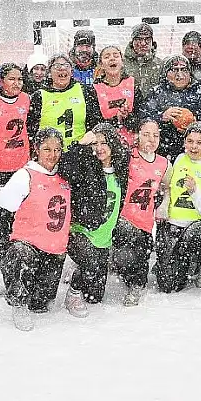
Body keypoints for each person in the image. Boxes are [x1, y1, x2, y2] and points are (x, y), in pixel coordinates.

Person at [0, 128, 72, 331]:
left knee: (41, 305)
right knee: (20, 255)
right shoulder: (26, 175)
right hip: (28, 245)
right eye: (46, 149)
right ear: (36, 149)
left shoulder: (66, 175)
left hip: (53, 251)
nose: (52, 155)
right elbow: (6, 202)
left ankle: (19, 285)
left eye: (56, 149)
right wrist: (0, 192)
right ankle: (17, 298)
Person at [61, 124, 130, 317]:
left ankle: (76, 268)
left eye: (104, 143)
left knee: (94, 296)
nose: (99, 148)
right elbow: (65, 167)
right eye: (95, 143)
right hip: (81, 230)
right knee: (89, 262)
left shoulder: (120, 169)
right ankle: (72, 295)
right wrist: (81, 144)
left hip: (103, 235)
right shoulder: (86, 166)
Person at [154, 124, 201, 292]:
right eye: (190, 141)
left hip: (198, 225)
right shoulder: (178, 159)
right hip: (173, 223)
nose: (194, 146)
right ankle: (174, 261)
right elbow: (167, 186)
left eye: (200, 143)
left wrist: (195, 191)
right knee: (168, 286)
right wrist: (163, 204)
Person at [112, 119, 169, 306]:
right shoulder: (127, 156)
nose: (151, 139)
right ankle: (118, 264)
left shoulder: (164, 163)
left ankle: (136, 284)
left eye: (156, 135)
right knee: (125, 255)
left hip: (145, 223)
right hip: (123, 219)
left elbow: (168, 187)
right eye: (146, 134)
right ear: (137, 136)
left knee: (140, 262)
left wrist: (163, 204)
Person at [0, 63, 31, 254]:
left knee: (20, 211)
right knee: (0, 211)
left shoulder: (27, 100)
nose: (16, 83)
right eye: (11, 79)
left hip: (20, 165)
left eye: (20, 79)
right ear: (1, 81)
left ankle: (17, 246)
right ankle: (1, 246)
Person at [142, 55, 201, 161]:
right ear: (165, 73)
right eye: (174, 70)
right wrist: (161, 117)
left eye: (184, 70)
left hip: (195, 156)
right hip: (162, 154)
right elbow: (142, 120)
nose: (179, 74)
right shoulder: (156, 93)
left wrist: (197, 129)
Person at [26, 53, 101, 149]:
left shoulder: (85, 91)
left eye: (66, 65)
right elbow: (31, 129)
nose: (62, 68)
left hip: (80, 152)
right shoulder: (39, 96)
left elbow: (95, 122)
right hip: (50, 154)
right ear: (49, 72)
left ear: (71, 71)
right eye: (57, 66)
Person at [93, 45, 141, 145]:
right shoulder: (94, 89)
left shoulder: (133, 84)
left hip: (131, 144)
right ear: (101, 64)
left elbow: (141, 117)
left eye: (116, 55)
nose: (112, 58)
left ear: (122, 62)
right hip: (105, 145)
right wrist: (116, 119)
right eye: (107, 57)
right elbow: (93, 122)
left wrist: (128, 118)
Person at [123, 23, 164, 96]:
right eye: (139, 39)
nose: (143, 43)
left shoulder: (160, 64)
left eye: (147, 39)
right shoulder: (121, 63)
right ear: (132, 42)